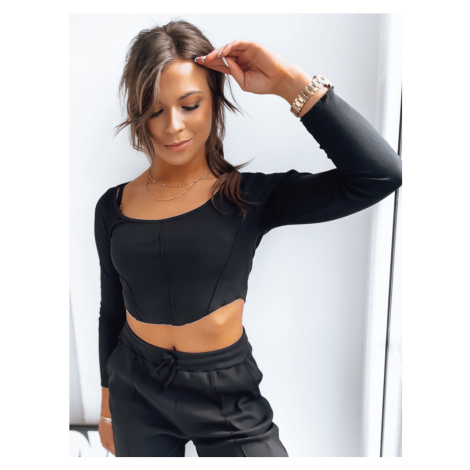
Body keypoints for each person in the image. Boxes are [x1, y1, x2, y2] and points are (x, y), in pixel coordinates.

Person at [94, 19, 402, 457]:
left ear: (214, 101)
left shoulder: (249, 197)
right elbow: (112, 309)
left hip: (224, 392)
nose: (173, 126)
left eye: (189, 104)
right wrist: (107, 407)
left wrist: (288, 82)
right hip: (135, 387)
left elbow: (379, 174)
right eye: (156, 111)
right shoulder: (112, 206)